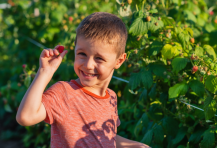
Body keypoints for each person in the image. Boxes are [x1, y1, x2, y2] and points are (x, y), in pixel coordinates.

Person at [16, 12, 150, 148]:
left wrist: (136, 145)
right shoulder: (64, 93)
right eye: (82, 54)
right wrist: (44, 72)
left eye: (99, 58)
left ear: (119, 60)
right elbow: (26, 117)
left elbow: (105, 138)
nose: (88, 65)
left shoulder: (111, 98)